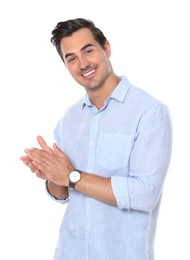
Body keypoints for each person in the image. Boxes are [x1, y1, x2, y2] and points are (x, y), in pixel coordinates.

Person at [20, 18, 172, 260]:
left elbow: (145, 194)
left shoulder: (149, 112)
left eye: (88, 50)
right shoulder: (69, 119)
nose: (83, 64)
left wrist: (72, 176)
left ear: (107, 48)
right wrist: (52, 175)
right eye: (71, 58)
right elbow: (64, 193)